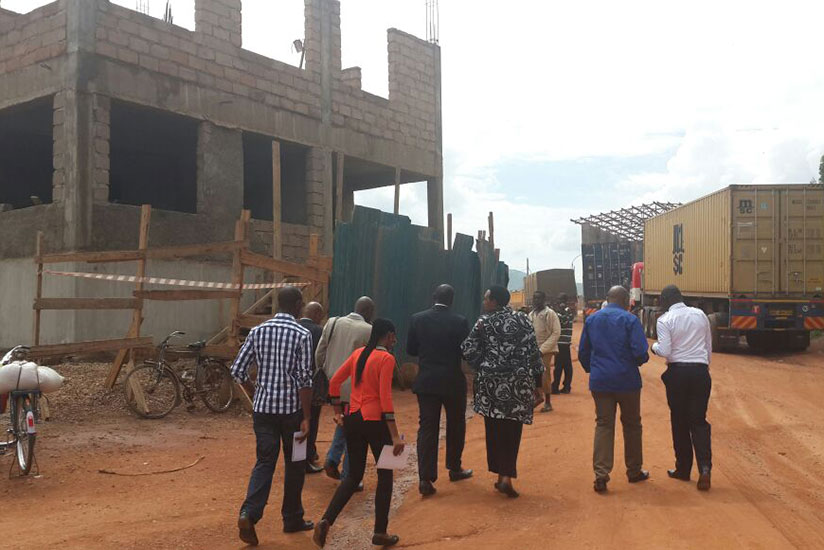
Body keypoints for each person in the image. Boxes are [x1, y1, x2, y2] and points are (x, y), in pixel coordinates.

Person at [231, 286, 315, 546]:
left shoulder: (257, 332)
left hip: (263, 412)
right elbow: (305, 380)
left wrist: (256, 392)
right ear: (299, 305)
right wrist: (307, 417)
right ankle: (292, 518)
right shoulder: (302, 334)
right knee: (297, 463)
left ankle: (249, 513)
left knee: (264, 462)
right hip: (294, 413)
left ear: (278, 304)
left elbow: (237, 371)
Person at [314, 319, 406, 549]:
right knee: (385, 476)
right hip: (377, 423)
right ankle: (380, 532)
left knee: (353, 476)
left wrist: (338, 412)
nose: (394, 340)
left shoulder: (358, 354)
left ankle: (326, 520)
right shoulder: (386, 359)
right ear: (389, 336)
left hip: (353, 418)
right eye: (393, 336)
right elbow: (385, 399)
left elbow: (334, 382)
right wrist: (395, 435)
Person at [461, 285, 544, 498]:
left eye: (486, 298)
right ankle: (506, 476)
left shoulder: (484, 322)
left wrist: (483, 365)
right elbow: (534, 353)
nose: (484, 301)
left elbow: (467, 348)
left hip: (492, 385)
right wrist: (538, 384)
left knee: (494, 428)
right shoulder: (524, 320)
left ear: (494, 301)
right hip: (519, 382)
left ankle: (500, 474)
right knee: (513, 429)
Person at [579, 285, 650, 493]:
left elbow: (584, 351)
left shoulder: (592, 320)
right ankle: (634, 470)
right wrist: (639, 360)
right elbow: (640, 351)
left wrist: (592, 369)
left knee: (603, 425)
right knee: (632, 425)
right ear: (626, 300)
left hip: (601, 381)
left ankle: (601, 475)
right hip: (627, 381)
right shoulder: (630, 320)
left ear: (607, 299)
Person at [407, 284, 473, 497]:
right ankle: (454, 468)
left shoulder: (417, 319)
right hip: (452, 382)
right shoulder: (460, 321)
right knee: (456, 424)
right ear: (452, 300)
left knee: (427, 428)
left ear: (433, 296)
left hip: (426, 381)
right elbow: (465, 352)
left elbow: (411, 349)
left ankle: (425, 478)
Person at [651, 285, 713, 491]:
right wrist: (703, 366)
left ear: (666, 300)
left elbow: (665, 349)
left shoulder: (665, 320)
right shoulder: (700, 315)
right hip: (700, 372)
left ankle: (683, 469)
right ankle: (705, 468)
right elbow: (708, 346)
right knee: (699, 421)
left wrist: (654, 348)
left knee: (679, 421)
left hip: (677, 373)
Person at [315, 296, 374, 487]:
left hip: (332, 385)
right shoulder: (369, 330)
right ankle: (350, 476)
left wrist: (324, 373)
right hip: (354, 389)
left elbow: (319, 352)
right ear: (368, 313)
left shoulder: (332, 323)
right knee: (356, 430)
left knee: (345, 421)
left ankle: (333, 459)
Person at [299, 301, 326, 474]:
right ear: (316, 314)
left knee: (298, 421)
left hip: (291, 385)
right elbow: (322, 356)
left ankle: (303, 455)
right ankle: (306, 458)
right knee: (311, 420)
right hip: (311, 384)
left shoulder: (293, 327)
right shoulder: (318, 331)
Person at [528, 290, 561, 412]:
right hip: (533, 350)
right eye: (534, 298)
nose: (536, 301)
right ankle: (537, 396)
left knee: (544, 374)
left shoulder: (550, 314)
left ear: (544, 300)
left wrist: (542, 350)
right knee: (531, 374)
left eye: (538, 298)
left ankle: (548, 402)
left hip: (546, 350)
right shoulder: (531, 314)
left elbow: (556, 332)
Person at [551, 293, 575, 394]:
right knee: (566, 365)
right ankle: (566, 386)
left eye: (560, 300)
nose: (559, 302)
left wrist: (558, 312)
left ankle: (556, 386)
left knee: (559, 366)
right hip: (564, 342)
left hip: (562, 342)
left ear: (564, 301)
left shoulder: (567, 311)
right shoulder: (565, 311)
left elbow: (563, 322)